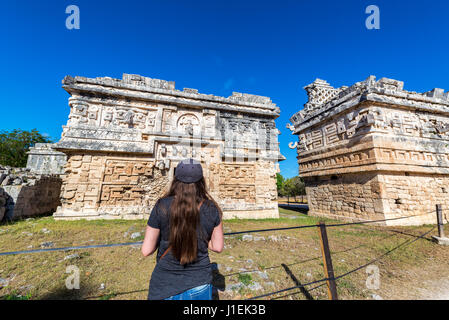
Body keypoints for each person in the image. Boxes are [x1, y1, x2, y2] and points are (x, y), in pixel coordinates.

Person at [141, 158, 224, 300]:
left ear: (175, 180)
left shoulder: (161, 206)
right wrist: (203, 239)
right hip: (200, 283)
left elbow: (146, 250)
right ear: (201, 181)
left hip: (164, 284)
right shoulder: (212, 209)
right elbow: (217, 247)